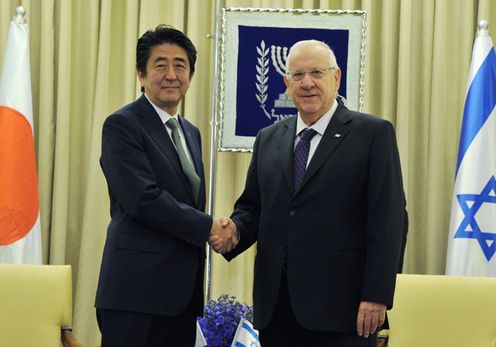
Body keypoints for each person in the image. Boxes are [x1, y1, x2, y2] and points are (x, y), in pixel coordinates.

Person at [211, 40, 406, 346]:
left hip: (344, 309)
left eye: (317, 72)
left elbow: (389, 220)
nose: (307, 83)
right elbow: (254, 207)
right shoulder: (269, 138)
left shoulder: (372, 134)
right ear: (287, 82)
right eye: (298, 75)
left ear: (336, 77)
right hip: (277, 308)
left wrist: (377, 295)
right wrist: (234, 231)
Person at [95, 25, 237, 347]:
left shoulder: (190, 132)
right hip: (135, 294)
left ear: (190, 75)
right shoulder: (122, 124)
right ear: (141, 75)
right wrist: (211, 227)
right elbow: (143, 199)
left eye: (180, 65)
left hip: (182, 298)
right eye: (160, 65)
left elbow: (185, 199)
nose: (171, 74)